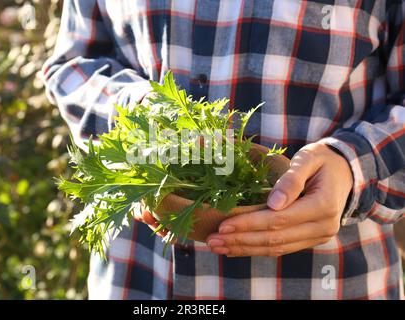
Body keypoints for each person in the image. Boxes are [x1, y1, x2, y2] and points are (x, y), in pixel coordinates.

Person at [42, 0, 405, 299]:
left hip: (326, 281)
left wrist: (353, 165)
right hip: (139, 280)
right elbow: (73, 64)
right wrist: (143, 120)